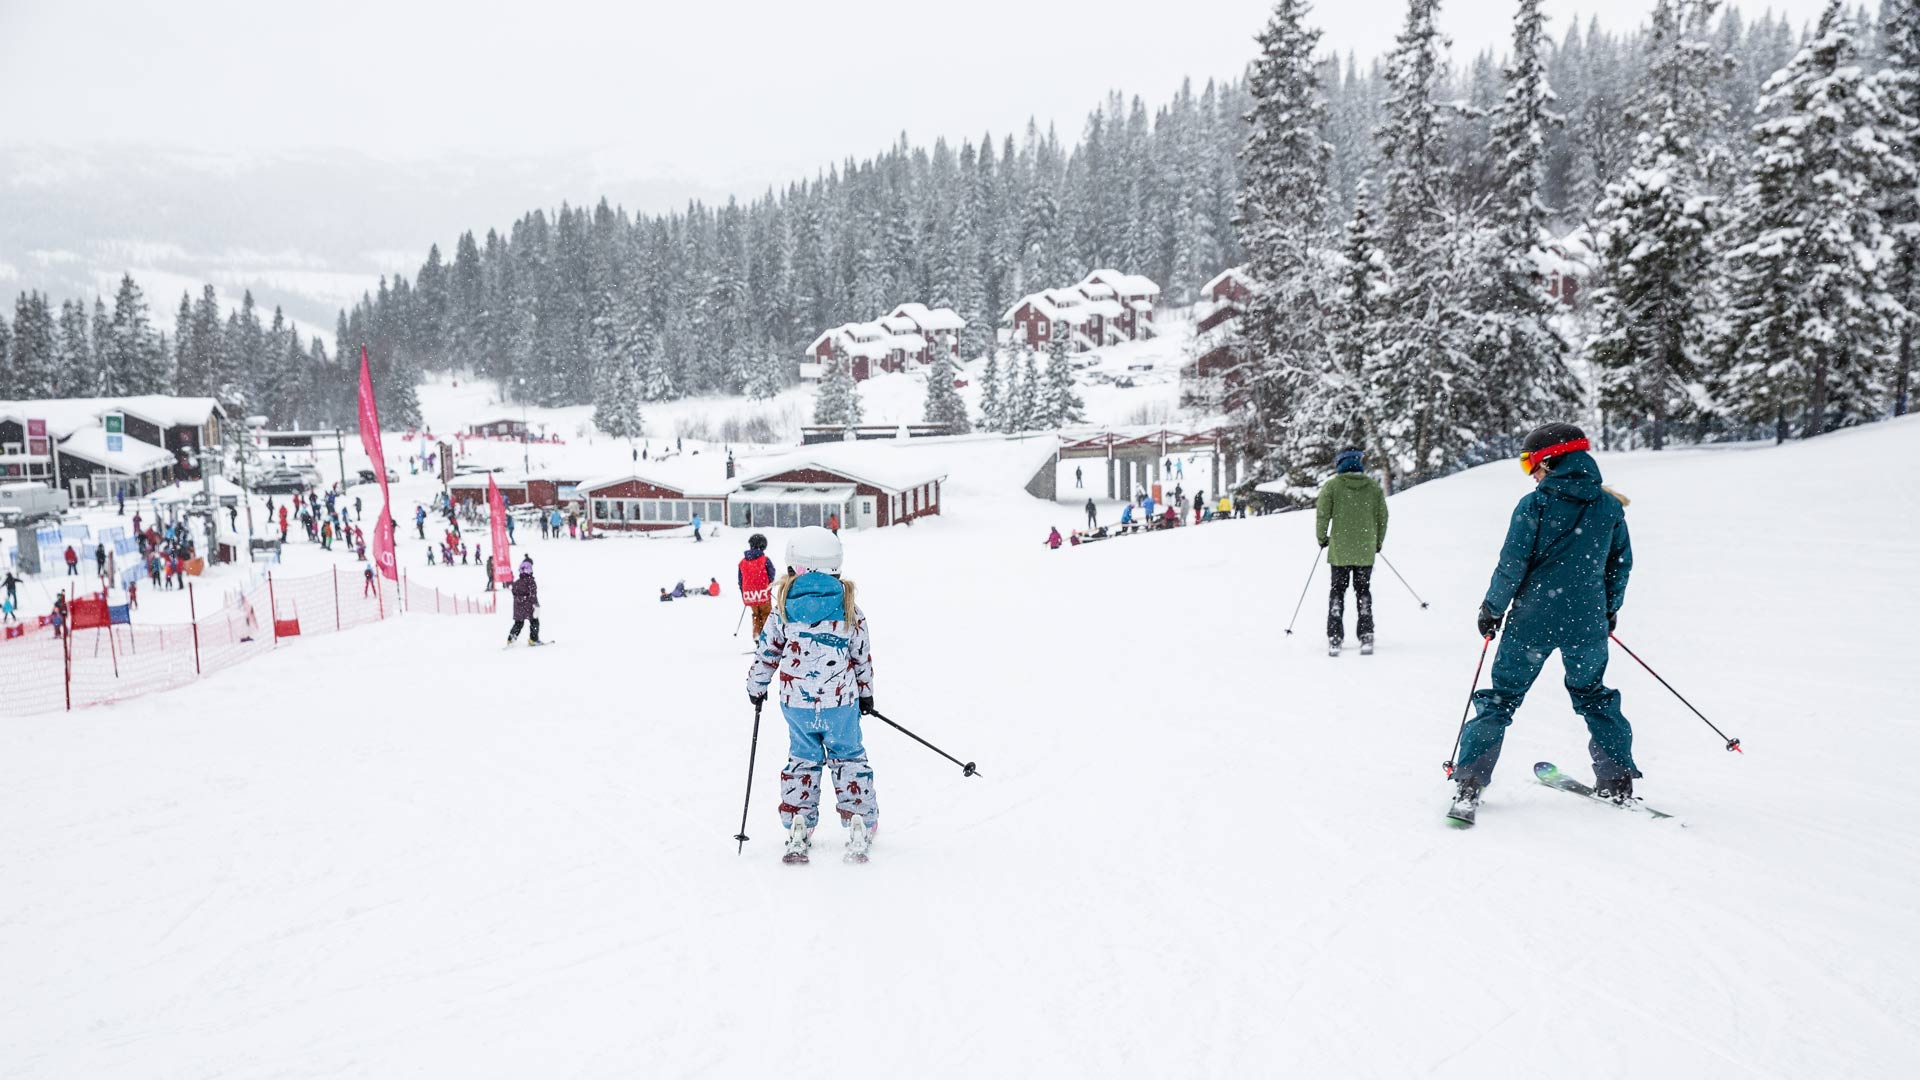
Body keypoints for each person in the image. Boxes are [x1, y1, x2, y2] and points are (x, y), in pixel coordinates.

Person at [1450, 423, 1637, 821]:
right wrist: (1608, 608)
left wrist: (1492, 609)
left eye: (1530, 464)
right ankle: (1617, 779)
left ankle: (1469, 782)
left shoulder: (1534, 505)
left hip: (1532, 621)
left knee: (1500, 699)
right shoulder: (1608, 507)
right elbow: (1619, 565)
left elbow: (1512, 564)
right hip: (1586, 624)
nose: (1531, 474)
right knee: (1594, 696)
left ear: (1550, 460)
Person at [745, 526, 878, 863]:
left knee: (803, 757)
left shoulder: (783, 609)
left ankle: (798, 819)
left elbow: (767, 652)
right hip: (840, 704)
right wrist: (866, 694)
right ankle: (859, 816)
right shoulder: (850, 608)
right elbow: (861, 655)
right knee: (848, 756)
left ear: (793, 565)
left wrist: (757, 686)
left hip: (797, 704)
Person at [1315, 447, 1389, 655]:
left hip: (1340, 550)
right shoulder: (1373, 487)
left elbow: (1322, 514)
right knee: (1363, 590)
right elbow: (1383, 518)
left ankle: (1335, 636)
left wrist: (1322, 539)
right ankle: (1366, 634)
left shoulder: (1332, 486)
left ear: (1340, 463)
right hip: (1365, 550)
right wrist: (1377, 542)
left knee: (1337, 591)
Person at [739, 533, 777, 639]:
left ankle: (756, 635)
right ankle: (767, 637)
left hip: (749, 594)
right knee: (766, 614)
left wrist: (743, 592)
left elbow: (740, 580)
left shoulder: (742, 562)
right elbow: (772, 573)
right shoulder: (765, 560)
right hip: (763, 593)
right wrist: (769, 585)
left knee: (756, 614)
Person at [506, 557, 542, 645]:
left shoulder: (517, 582)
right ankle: (533, 639)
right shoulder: (531, 581)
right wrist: (536, 605)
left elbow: (513, 591)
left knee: (518, 623)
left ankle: (511, 639)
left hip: (518, 607)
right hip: (529, 606)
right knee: (534, 622)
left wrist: (520, 599)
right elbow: (533, 594)